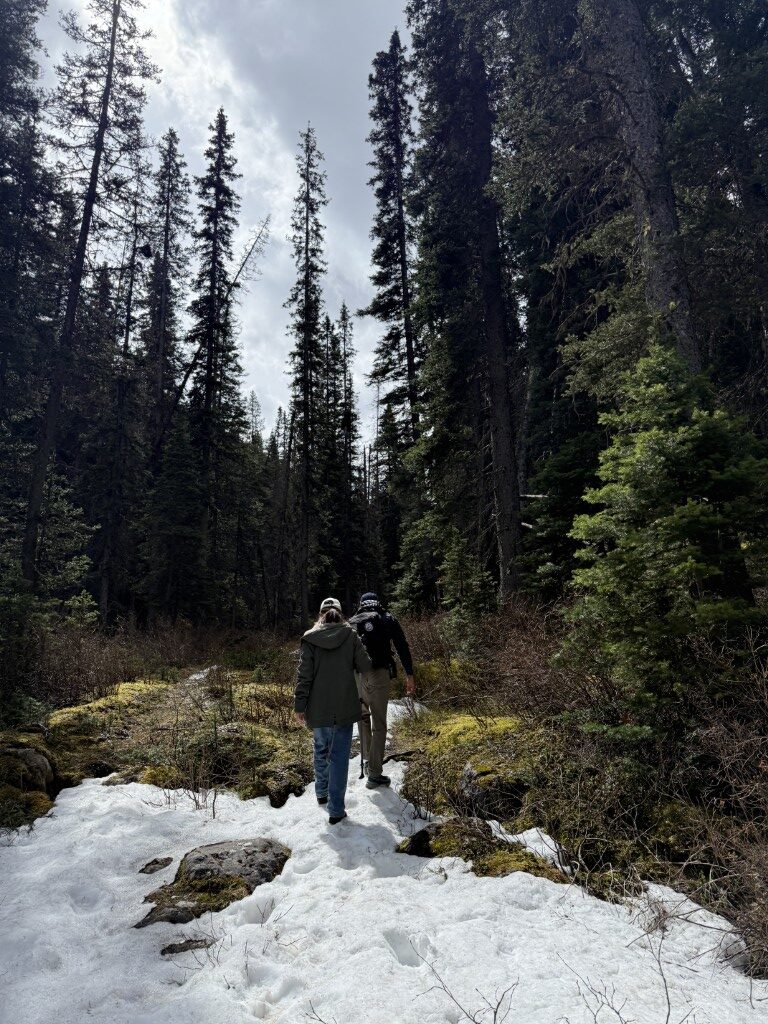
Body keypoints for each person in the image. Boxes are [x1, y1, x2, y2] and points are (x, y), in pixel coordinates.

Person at [294, 597, 372, 825]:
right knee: (339, 758)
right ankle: (336, 810)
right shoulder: (350, 635)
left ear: (321, 614)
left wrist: (299, 705)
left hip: (318, 708)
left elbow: (304, 676)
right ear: (340, 614)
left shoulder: (310, 638)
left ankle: (321, 793)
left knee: (320, 749)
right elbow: (365, 665)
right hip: (344, 706)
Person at [349, 592, 415, 790]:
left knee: (363, 718)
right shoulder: (387, 618)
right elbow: (402, 646)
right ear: (378, 602)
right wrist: (409, 674)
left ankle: (367, 761)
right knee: (379, 723)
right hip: (379, 673)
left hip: (358, 676)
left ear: (361, 604)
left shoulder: (353, 622)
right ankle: (375, 773)